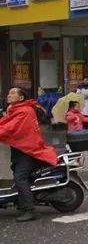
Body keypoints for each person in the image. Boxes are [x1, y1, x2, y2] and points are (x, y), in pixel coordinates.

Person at [0, 88, 58, 222]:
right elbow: (5, 124)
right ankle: (22, 201)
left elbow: (10, 128)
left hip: (28, 150)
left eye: (13, 93)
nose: (9, 94)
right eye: (9, 92)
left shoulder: (24, 111)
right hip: (20, 149)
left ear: (21, 98)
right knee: (18, 176)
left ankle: (30, 210)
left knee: (20, 178)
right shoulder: (15, 109)